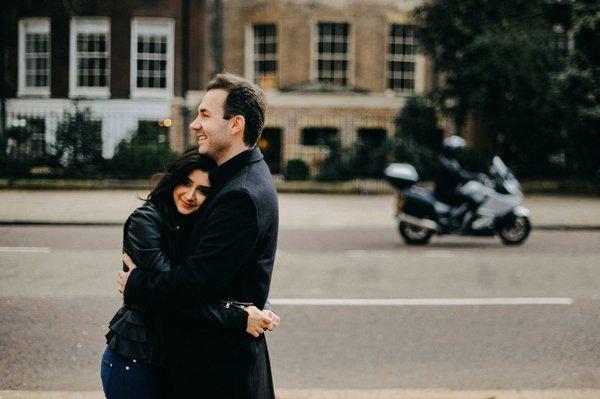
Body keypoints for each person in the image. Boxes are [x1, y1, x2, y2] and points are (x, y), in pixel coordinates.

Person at [118, 73, 279, 398]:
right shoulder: (235, 177)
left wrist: (135, 285)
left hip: (215, 373)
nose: (194, 124)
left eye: (205, 115)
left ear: (235, 124)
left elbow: (192, 284)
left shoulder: (241, 195)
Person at [434, 136, 480, 225]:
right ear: (451, 149)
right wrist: (475, 177)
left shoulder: (449, 160)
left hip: (447, 189)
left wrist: (475, 175)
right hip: (446, 191)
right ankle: (455, 220)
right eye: (457, 149)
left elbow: (461, 172)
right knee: (471, 200)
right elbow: (459, 176)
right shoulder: (447, 162)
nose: (458, 151)